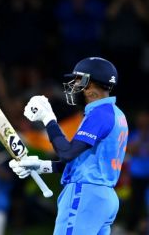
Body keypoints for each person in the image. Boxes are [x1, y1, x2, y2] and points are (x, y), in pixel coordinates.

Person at [8, 57, 128, 235]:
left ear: (89, 82)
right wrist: (42, 166)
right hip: (104, 198)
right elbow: (82, 161)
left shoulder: (99, 114)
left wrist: (49, 120)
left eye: (78, 79)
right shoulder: (116, 114)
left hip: (86, 193)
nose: (73, 85)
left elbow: (67, 153)